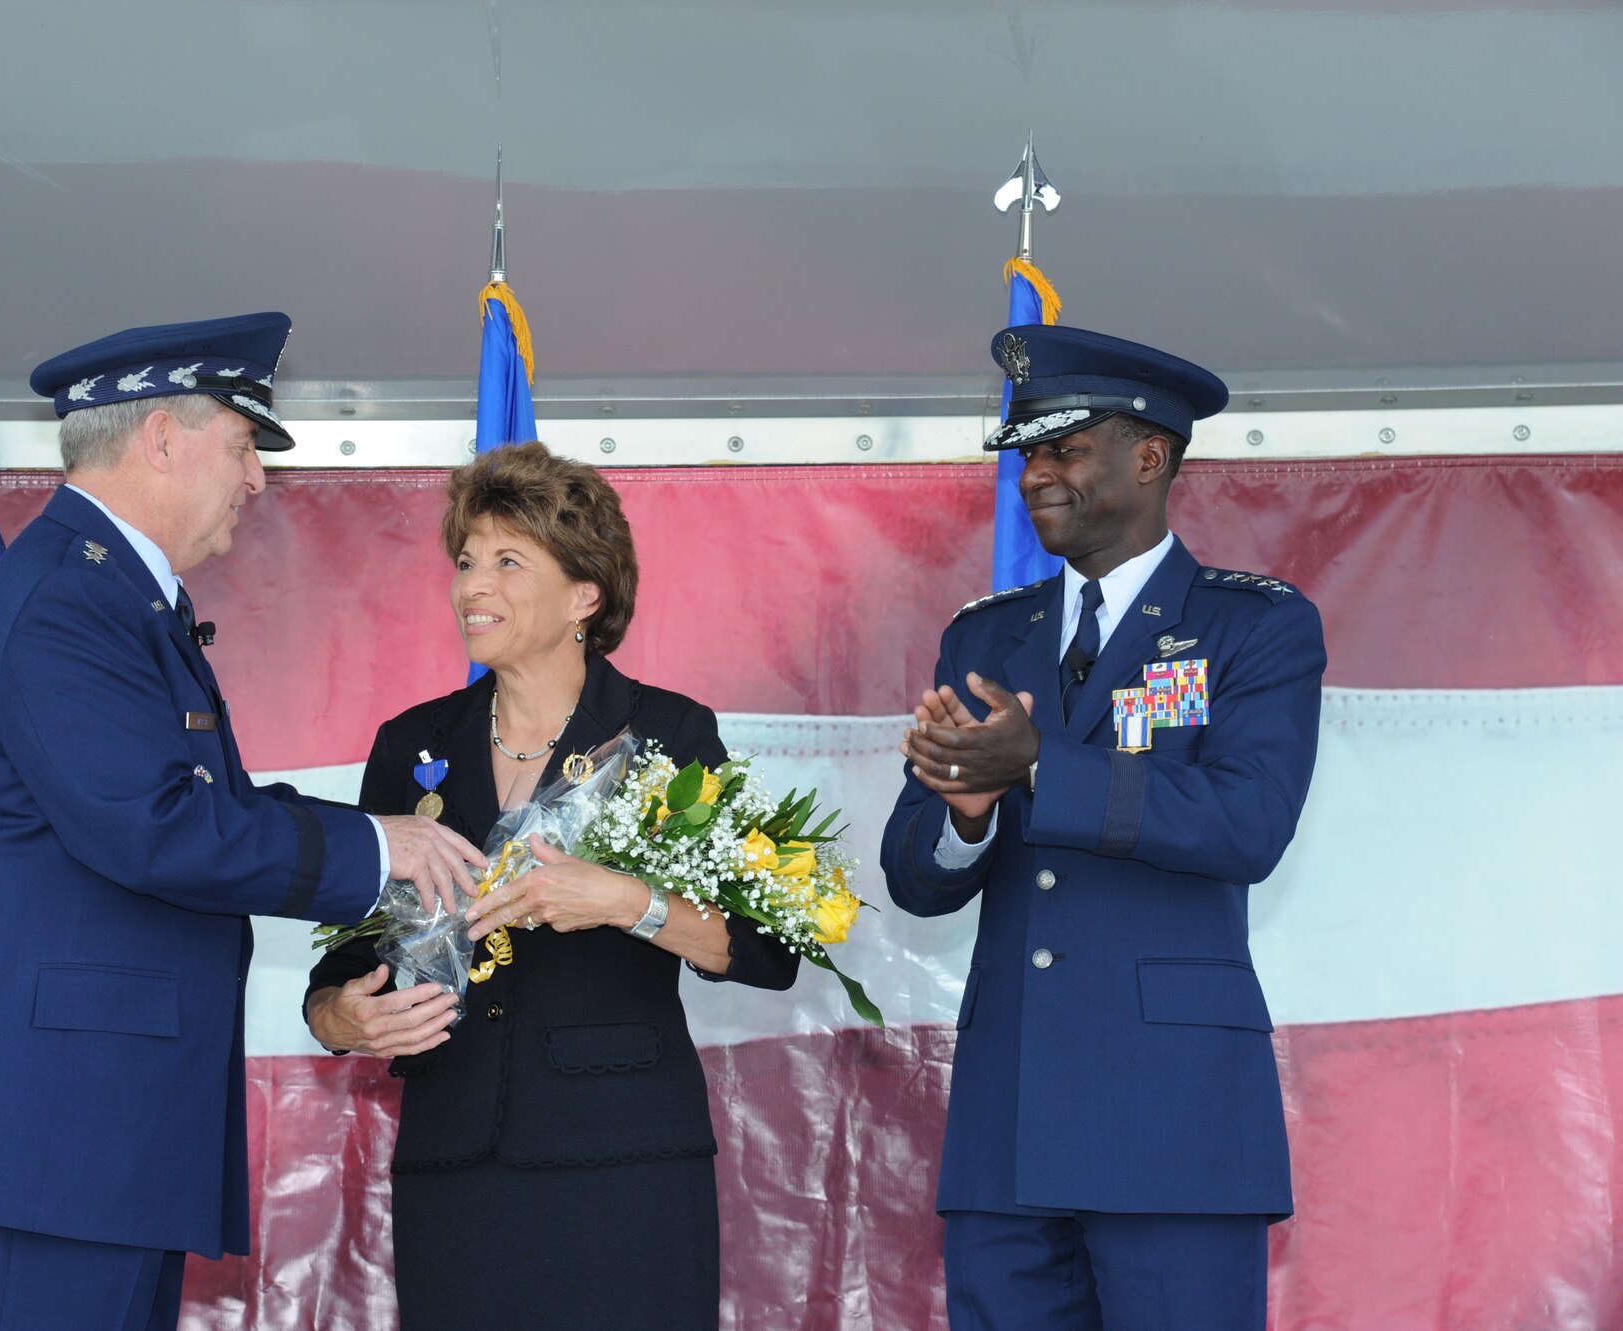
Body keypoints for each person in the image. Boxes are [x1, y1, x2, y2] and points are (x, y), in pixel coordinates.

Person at [0, 312, 484, 1331]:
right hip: (59, 1133)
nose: (256, 480)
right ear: (162, 438)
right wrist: (380, 846)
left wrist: (383, 842)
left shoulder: (114, 594)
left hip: (90, 1130)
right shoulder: (72, 597)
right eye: (243, 447)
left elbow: (206, 812)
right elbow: (154, 825)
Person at [880, 325, 1326, 1331]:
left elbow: (1245, 822)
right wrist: (966, 812)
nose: (1034, 475)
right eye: (1025, 453)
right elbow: (915, 869)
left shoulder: (1250, 625)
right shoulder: (986, 633)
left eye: (1063, 448)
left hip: (1169, 1123)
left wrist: (1039, 764)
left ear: (1148, 456)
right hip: (1007, 1120)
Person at [304, 441, 800, 1331]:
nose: (470, 586)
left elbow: (768, 949)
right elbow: (351, 949)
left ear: (585, 595)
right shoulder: (413, 743)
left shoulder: (665, 734)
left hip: (624, 1166)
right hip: (455, 1167)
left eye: (505, 561)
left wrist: (624, 902)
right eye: (464, 561)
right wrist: (340, 1016)